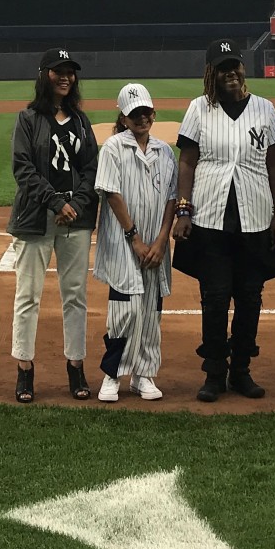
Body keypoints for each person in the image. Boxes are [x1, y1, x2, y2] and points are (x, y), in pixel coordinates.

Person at [172, 39, 275, 402]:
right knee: (216, 297)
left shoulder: (265, 109)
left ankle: (241, 370)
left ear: (242, 68)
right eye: (222, 68)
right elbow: (187, 161)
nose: (230, 73)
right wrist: (184, 209)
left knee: (250, 297)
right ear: (211, 73)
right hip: (210, 216)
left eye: (234, 65)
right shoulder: (199, 109)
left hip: (255, 216)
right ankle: (214, 372)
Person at [7, 48, 99, 403]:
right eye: (58, 71)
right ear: (44, 74)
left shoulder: (81, 121)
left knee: (75, 295)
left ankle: (76, 366)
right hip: (36, 218)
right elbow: (23, 169)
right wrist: (56, 202)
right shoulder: (28, 118)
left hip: (75, 218)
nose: (65, 77)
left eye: (70, 72)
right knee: (28, 295)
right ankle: (24, 369)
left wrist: (75, 204)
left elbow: (91, 168)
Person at [93, 82, 177, 402]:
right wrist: (134, 238)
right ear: (123, 118)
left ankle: (143, 374)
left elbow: (171, 198)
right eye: (134, 114)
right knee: (123, 309)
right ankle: (112, 374)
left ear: (153, 113)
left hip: (156, 243)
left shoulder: (164, 151)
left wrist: (161, 240)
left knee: (152, 310)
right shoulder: (113, 148)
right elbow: (112, 194)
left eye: (145, 112)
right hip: (123, 242)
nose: (141, 118)